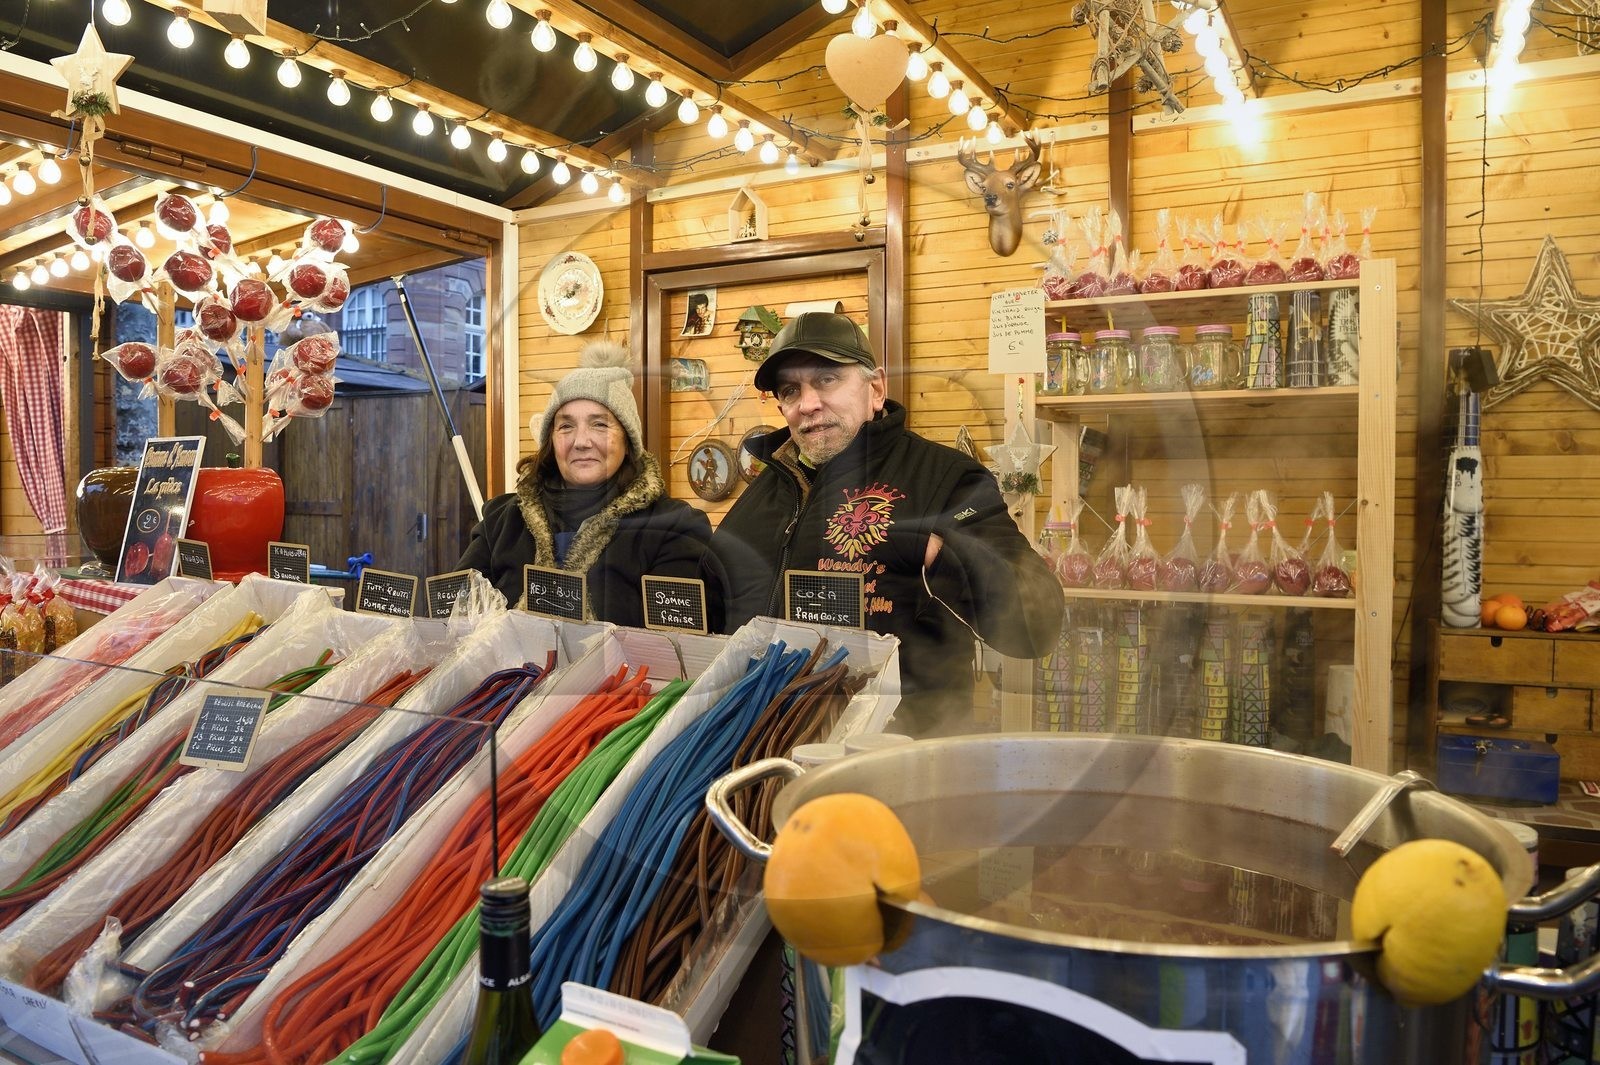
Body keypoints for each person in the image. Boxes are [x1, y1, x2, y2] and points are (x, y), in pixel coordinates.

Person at [702, 312, 1063, 736]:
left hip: (901, 757)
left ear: (875, 389)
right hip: (765, 747)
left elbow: (1036, 627)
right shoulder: (767, 489)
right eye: (790, 390)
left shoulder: (946, 479)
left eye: (826, 380)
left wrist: (941, 555)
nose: (808, 403)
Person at [459, 340, 710, 625]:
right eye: (566, 426)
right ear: (551, 441)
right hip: (509, 671)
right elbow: (454, 616)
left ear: (628, 441)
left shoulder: (675, 528)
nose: (581, 442)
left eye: (599, 424)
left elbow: (674, 642)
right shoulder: (502, 521)